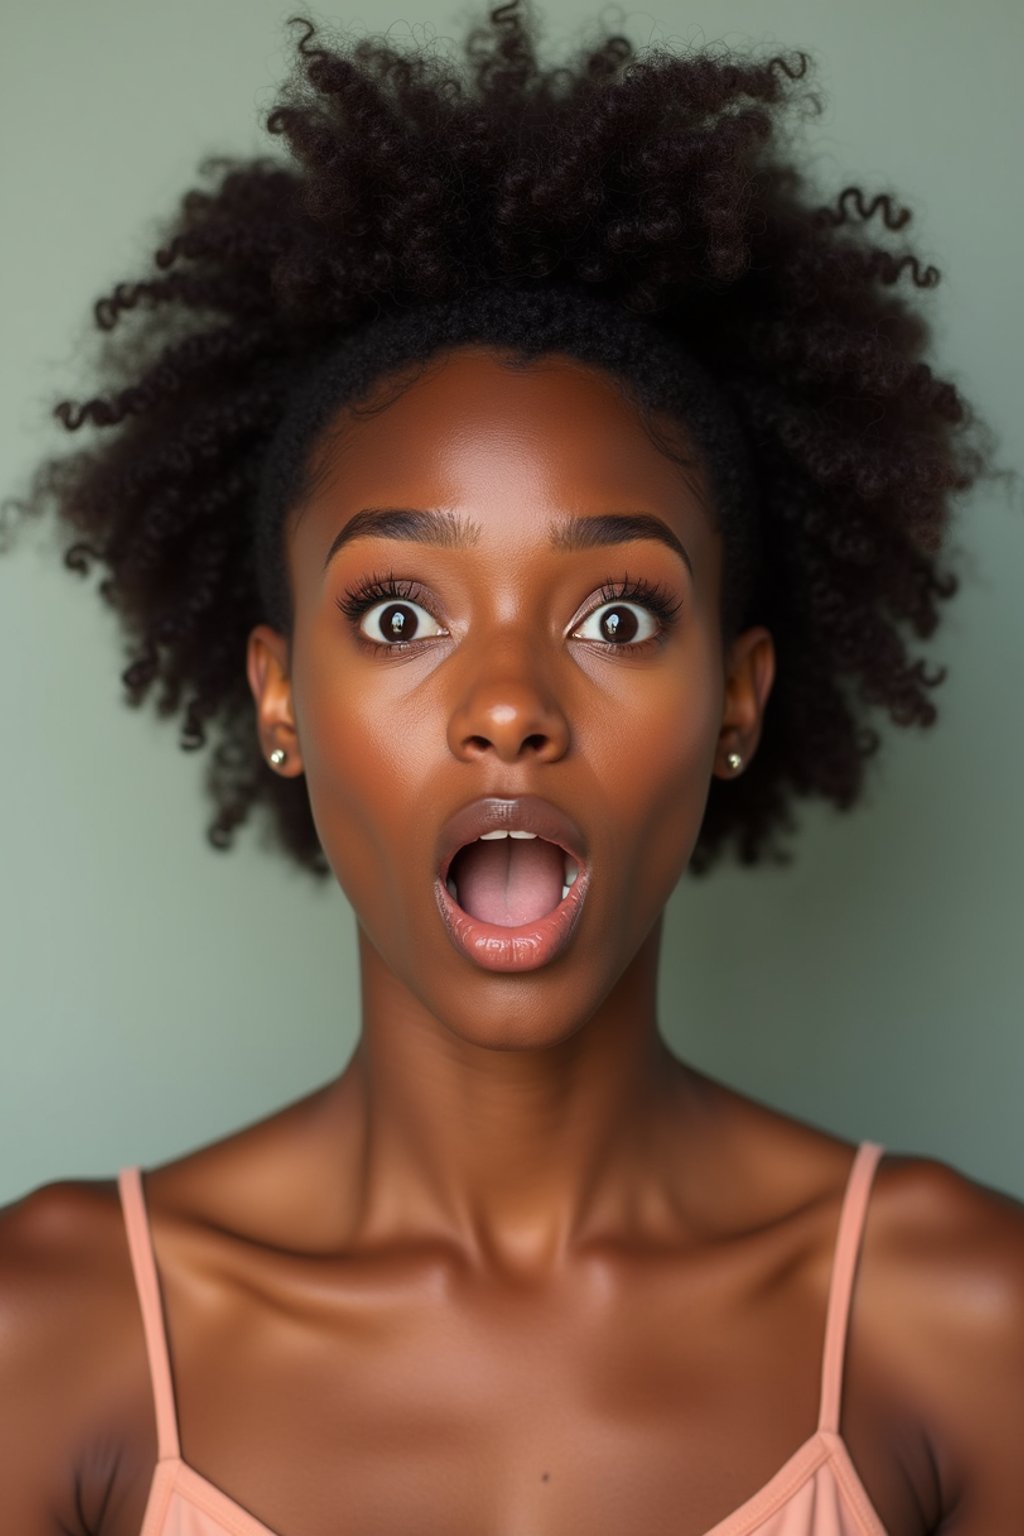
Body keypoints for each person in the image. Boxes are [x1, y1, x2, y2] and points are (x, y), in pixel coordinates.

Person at [1, 5, 1021, 1532]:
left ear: (736, 699)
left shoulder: (963, 1320)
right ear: (280, 698)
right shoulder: (52, 1333)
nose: (506, 708)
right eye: (399, 612)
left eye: (617, 613)